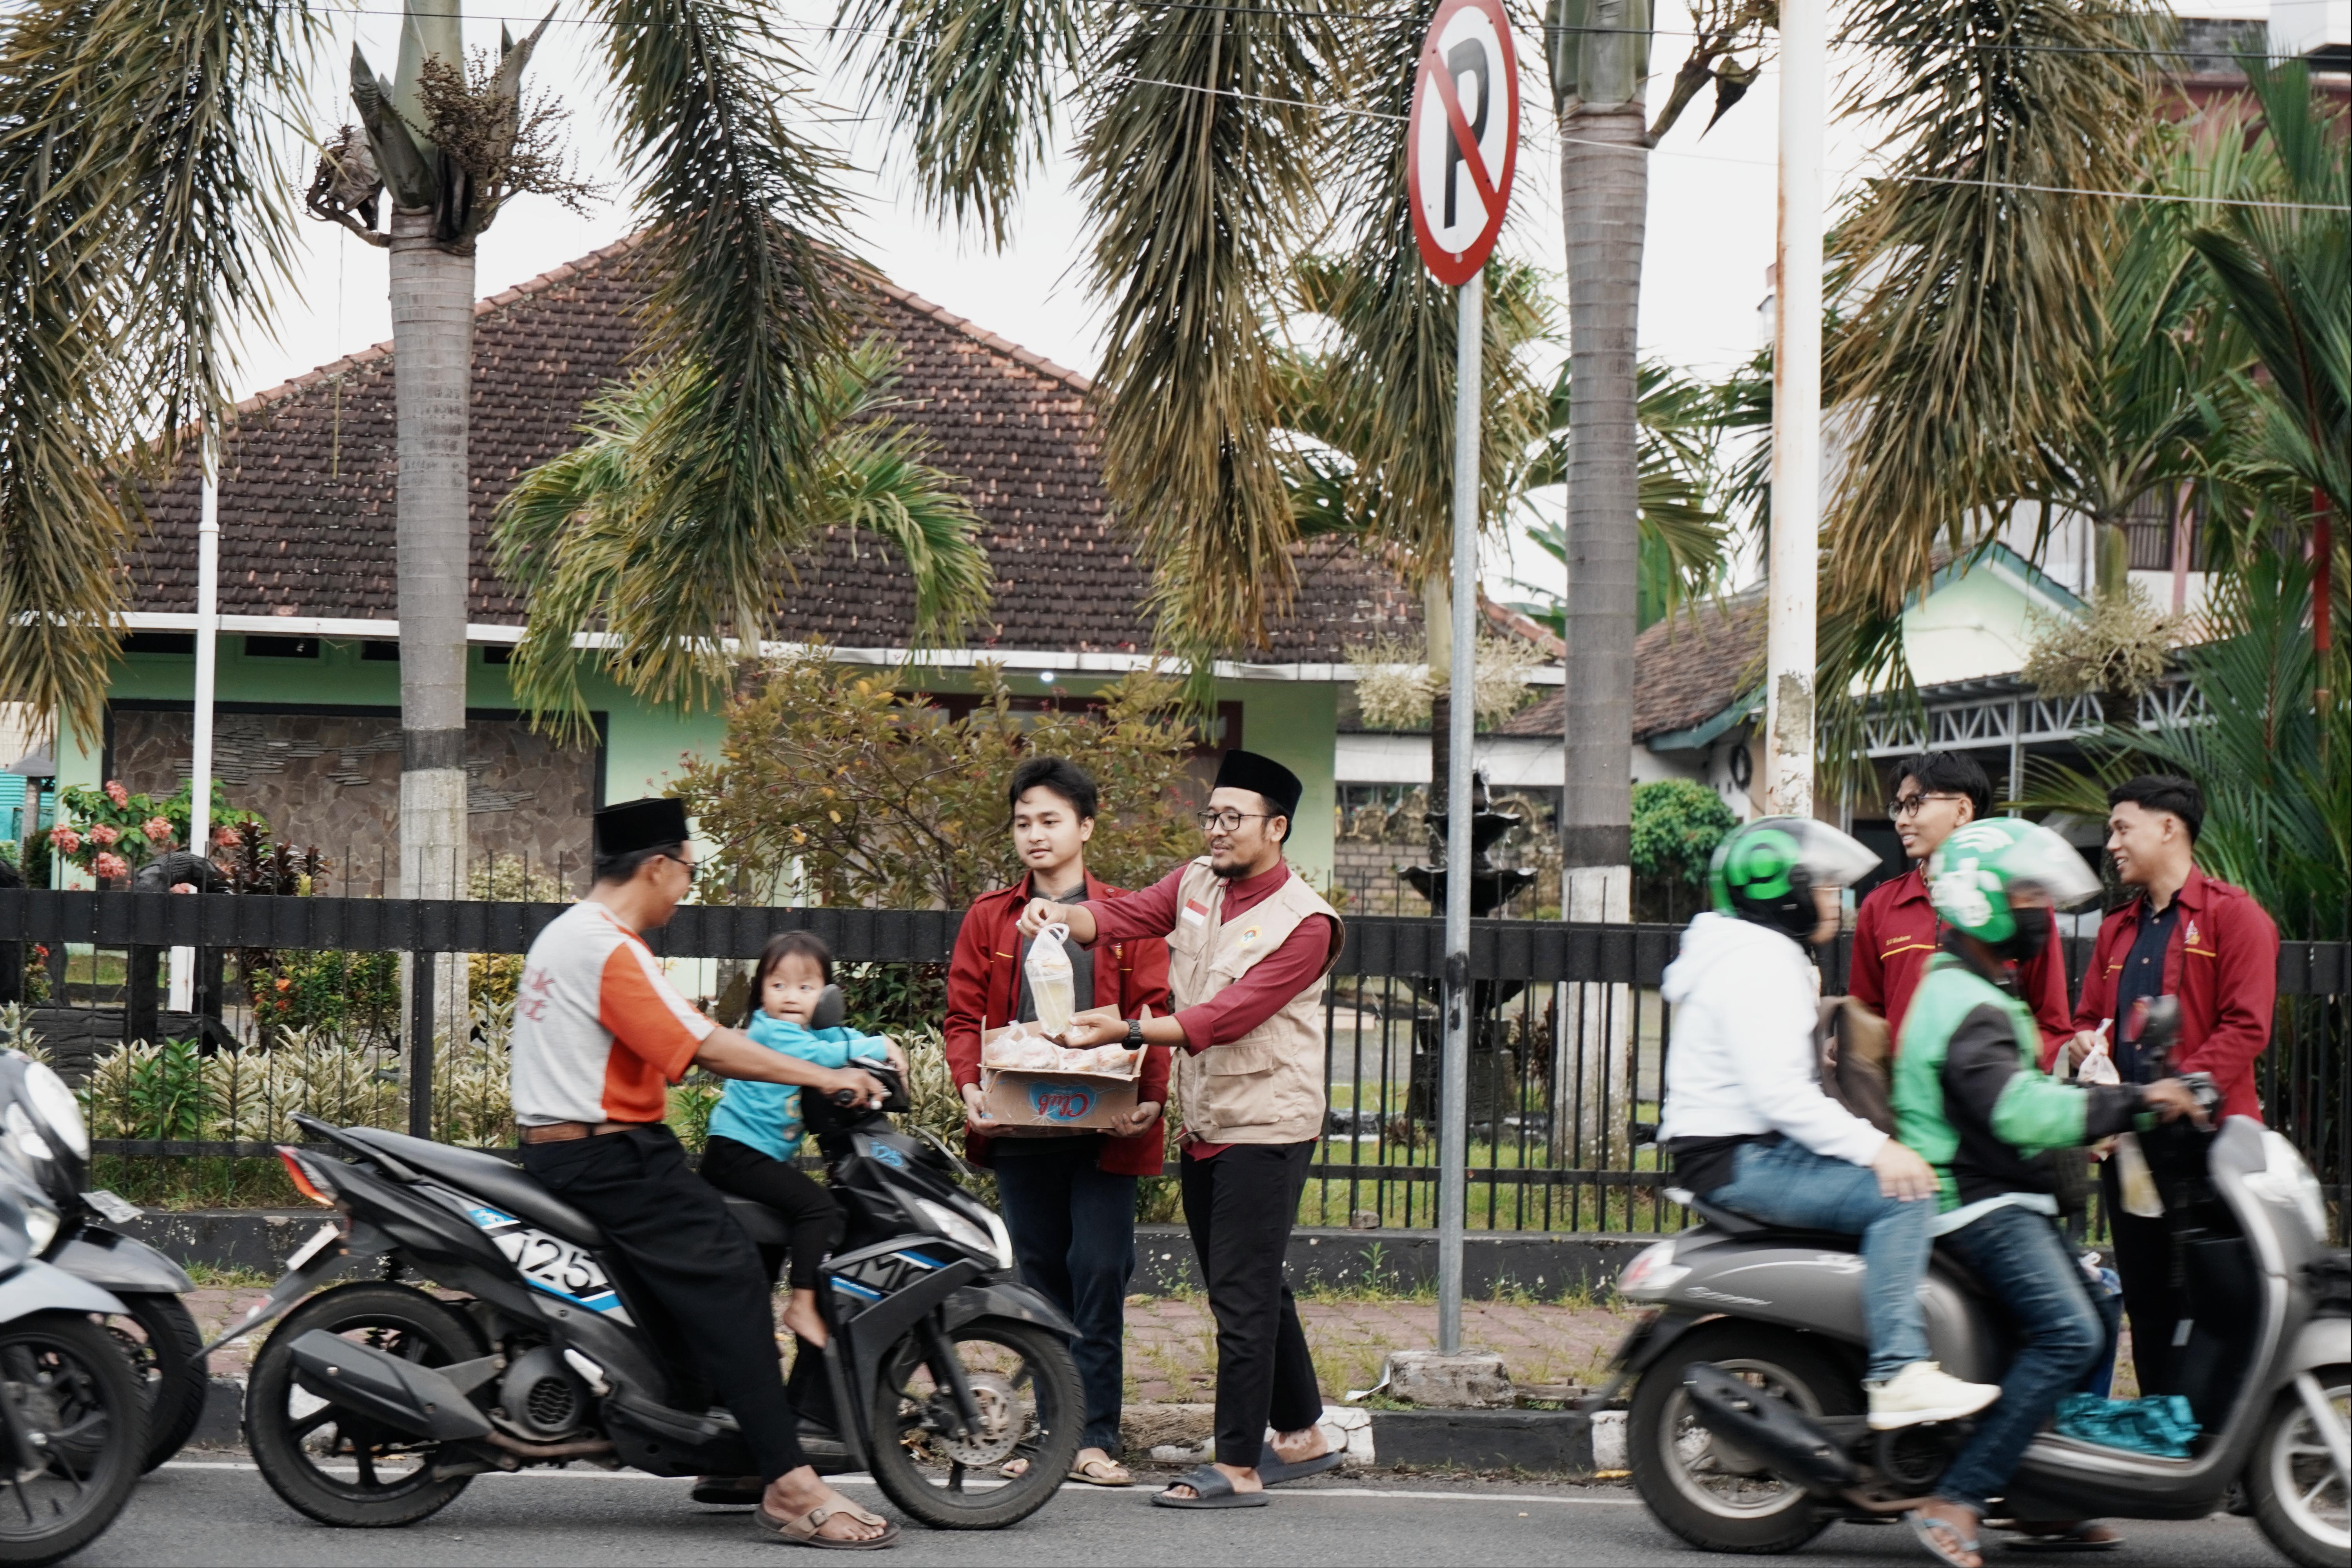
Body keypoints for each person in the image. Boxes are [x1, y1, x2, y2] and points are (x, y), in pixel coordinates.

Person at [509, 798, 899, 1548]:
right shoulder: (607, 947)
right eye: (687, 871)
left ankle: (733, 1454)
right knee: (731, 1276)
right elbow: (712, 1049)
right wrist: (822, 1078)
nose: (687, 888)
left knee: (707, 1268)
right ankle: (787, 1484)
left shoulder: (570, 935)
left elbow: (667, 1046)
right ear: (656, 866)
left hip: (580, 1145)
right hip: (610, 1155)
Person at [1017, 749, 1342, 1510]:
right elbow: (1127, 912)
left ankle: (1236, 1464)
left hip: (1267, 1123)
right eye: (1213, 814)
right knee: (1254, 1284)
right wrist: (1065, 913)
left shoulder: (1308, 923)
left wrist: (1127, 1029)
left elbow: (1229, 1014)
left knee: (1240, 1294)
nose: (1218, 829)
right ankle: (1301, 1431)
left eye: (1235, 817)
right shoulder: (1199, 880)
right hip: (1210, 1118)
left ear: (1278, 826)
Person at [1894, 818, 2206, 1568]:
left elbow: (2018, 1098)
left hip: (2005, 1195)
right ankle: (1958, 1497)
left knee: (2099, 1303)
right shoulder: (1962, 1002)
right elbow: (2016, 1111)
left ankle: (2043, 1498)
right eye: (2026, 895)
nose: (2040, 911)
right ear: (1981, 904)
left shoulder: (1978, 988)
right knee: (2071, 1329)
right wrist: (2130, 1102)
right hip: (1972, 1200)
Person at [1658, 816, 2002, 1431]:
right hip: (1741, 1157)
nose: (1837, 902)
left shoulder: (1750, 953)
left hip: (1739, 1148)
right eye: (1822, 888)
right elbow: (1783, 1096)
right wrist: (1879, 1151)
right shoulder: (1759, 963)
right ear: (1781, 893)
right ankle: (1898, 1372)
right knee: (1905, 1195)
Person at [942, 757, 1172, 1488]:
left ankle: (1095, 1437)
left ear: (1085, 827)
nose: (1036, 835)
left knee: (1100, 1271)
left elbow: (1157, 1011)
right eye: (1023, 823)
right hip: (1022, 1126)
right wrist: (970, 1086)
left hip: (1105, 1129)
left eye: (1050, 820)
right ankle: (1050, 1436)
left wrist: (1153, 1100)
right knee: (1040, 1282)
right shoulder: (991, 917)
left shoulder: (1128, 917)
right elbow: (962, 1016)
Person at [2063, 774, 2278, 1397]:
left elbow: (2248, 1026)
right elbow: (2086, 1019)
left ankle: (2222, 1453)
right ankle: (2160, 1438)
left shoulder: (2234, 917)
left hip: (2212, 1152)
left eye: (2121, 827)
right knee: (2150, 1304)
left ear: (2168, 827)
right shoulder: (2116, 930)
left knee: (2221, 1304)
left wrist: (2187, 1085)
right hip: (2132, 1152)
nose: (2111, 844)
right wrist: (2080, 1042)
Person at [702, 931, 899, 1348]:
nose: (791, 997)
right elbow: (821, 1056)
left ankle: (754, 1333)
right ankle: (802, 1305)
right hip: (737, 1152)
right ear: (762, 993)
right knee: (819, 1208)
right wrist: (880, 1043)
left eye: (806, 987)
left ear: (824, 996)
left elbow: (832, 1041)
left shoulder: (803, 1033)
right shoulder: (771, 1031)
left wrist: (866, 1045)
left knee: (769, 1248)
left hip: (758, 1155)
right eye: (779, 985)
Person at [1850, 750, 2071, 1053]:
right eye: (1898, 808)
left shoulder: (2019, 900)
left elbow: (2051, 1023)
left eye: (1914, 805)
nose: (1901, 821)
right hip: (1902, 1096)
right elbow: (1865, 1016)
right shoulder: (1880, 905)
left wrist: (2002, 1081)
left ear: (1962, 810)